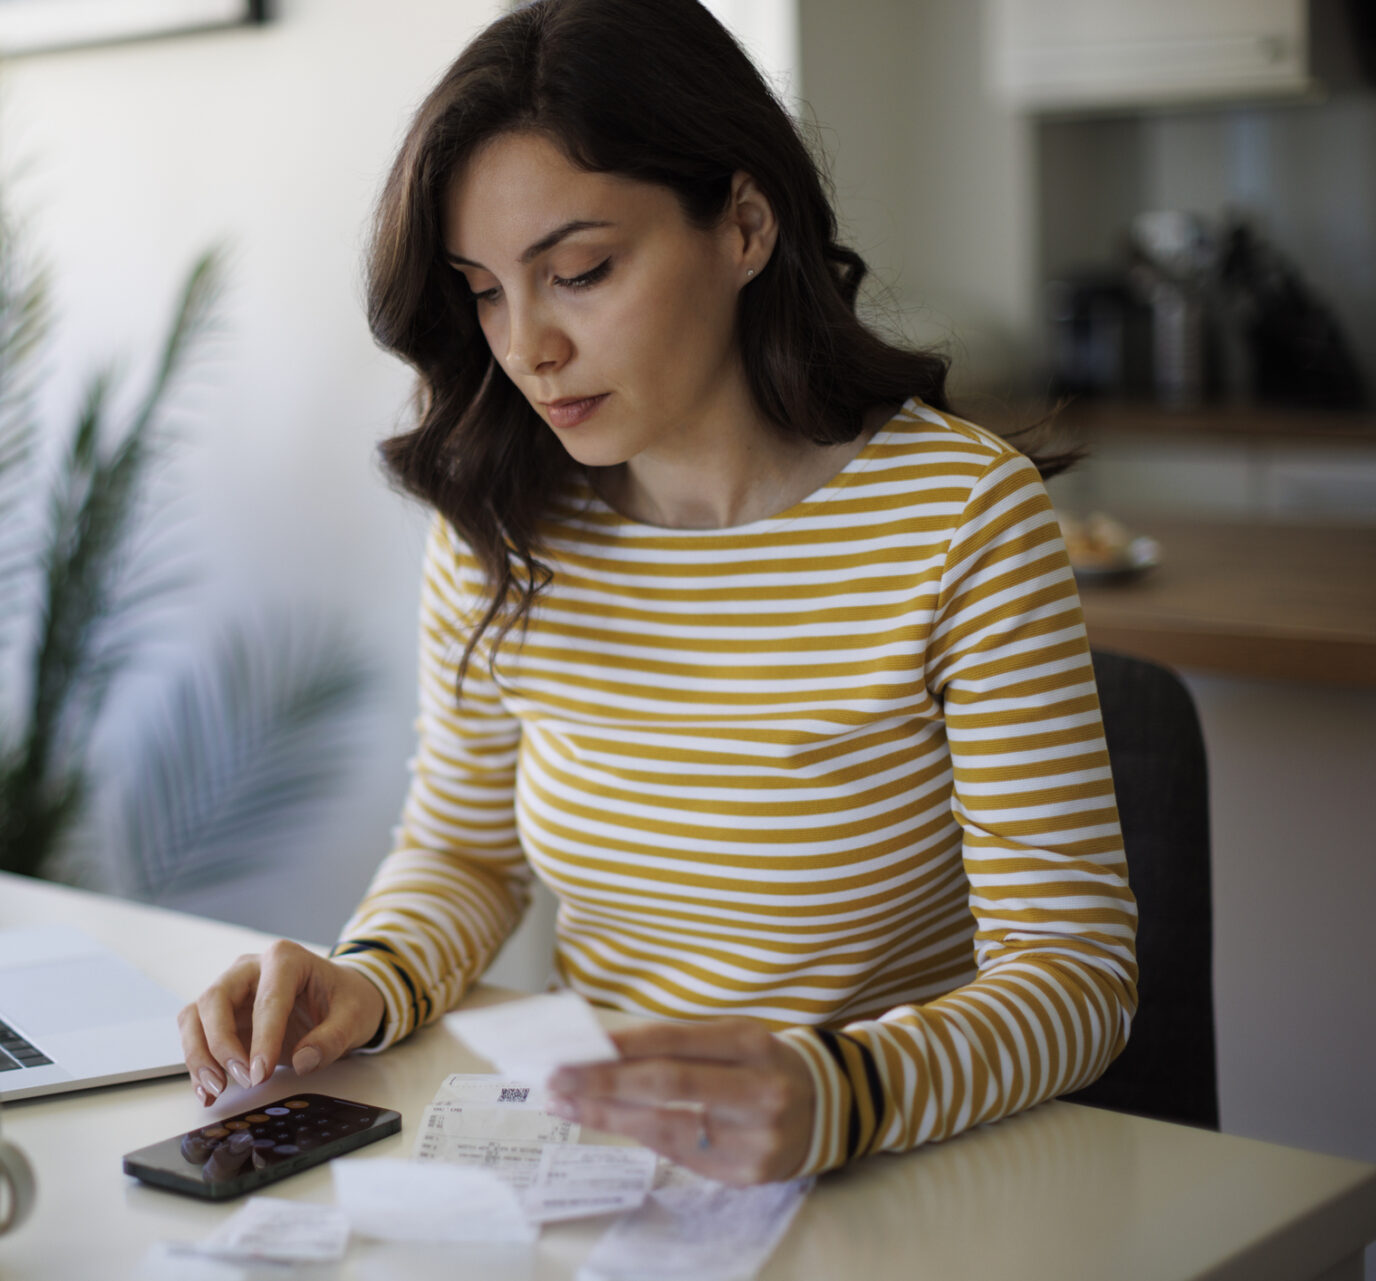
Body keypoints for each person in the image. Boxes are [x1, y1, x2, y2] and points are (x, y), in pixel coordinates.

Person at [177, 0, 1136, 1185]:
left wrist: (841, 1091)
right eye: (484, 290)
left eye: (579, 272)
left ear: (742, 224)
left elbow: (1077, 973)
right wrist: (366, 979)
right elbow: (465, 855)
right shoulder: (502, 524)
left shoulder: (958, 521)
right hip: (607, 1173)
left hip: (897, 1173)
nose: (526, 347)